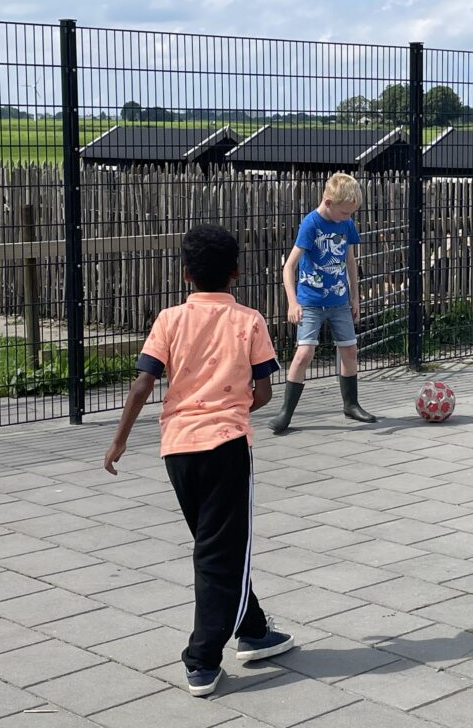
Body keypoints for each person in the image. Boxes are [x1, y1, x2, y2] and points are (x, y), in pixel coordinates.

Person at [103, 224, 294, 697]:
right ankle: (202, 660)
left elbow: (143, 384)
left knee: (216, 544)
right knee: (218, 551)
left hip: (177, 449)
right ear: (236, 273)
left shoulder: (169, 320)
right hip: (226, 447)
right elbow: (265, 391)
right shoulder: (249, 321)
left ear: (186, 273)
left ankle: (253, 630)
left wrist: (119, 441)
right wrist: (231, 410)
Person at [269, 172, 376, 432]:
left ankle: (351, 404)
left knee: (349, 350)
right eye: (344, 212)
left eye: (350, 213)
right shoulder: (311, 224)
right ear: (328, 202)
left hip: (339, 301)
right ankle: (286, 412)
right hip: (311, 301)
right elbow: (289, 267)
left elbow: (350, 261)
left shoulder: (346, 224)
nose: (347, 217)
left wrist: (354, 296)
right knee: (304, 353)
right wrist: (293, 302)